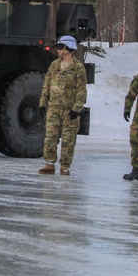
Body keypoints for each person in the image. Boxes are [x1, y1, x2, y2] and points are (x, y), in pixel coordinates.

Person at [38, 35, 87, 176]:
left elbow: (81, 90)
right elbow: (46, 85)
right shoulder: (54, 65)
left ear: (68, 48)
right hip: (53, 107)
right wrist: (42, 103)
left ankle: (65, 166)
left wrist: (76, 109)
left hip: (69, 109)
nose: (58, 51)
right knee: (50, 137)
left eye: (60, 48)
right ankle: (49, 164)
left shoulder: (78, 68)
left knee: (68, 139)